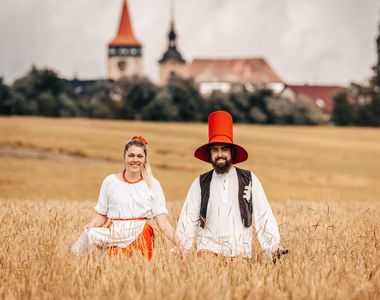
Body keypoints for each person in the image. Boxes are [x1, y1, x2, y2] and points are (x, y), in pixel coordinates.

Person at [175, 111, 286, 261]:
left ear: (232, 152)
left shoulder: (249, 179)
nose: (220, 154)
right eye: (215, 149)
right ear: (210, 154)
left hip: (240, 252)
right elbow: (188, 218)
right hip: (208, 251)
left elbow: (263, 214)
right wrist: (181, 247)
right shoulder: (200, 183)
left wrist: (273, 246)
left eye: (224, 149)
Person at [72, 136, 180, 259]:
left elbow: (163, 223)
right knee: (90, 235)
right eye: (131, 155)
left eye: (140, 156)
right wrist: (92, 224)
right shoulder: (110, 181)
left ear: (145, 159)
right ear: (125, 156)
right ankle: (72, 262)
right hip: (114, 233)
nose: (135, 160)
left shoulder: (153, 184)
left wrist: (179, 244)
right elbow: (102, 216)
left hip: (140, 233)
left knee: (129, 266)